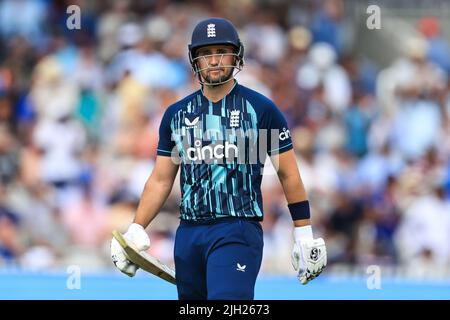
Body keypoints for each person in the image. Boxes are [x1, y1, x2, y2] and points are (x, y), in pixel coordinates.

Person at [110, 17, 327, 300]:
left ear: (236, 55)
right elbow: (162, 179)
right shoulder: (176, 114)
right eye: (205, 54)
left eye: (221, 52)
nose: (214, 61)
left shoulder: (261, 109)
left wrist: (303, 233)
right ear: (195, 60)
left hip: (238, 229)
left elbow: (288, 173)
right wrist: (137, 228)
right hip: (188, 234)